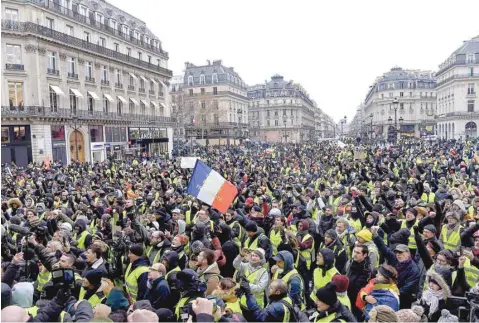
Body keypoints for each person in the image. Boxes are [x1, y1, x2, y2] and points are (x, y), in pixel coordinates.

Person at [372, 227, 420, 309]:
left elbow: (406, 289)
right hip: (390, 293)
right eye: (396, 252)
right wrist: (375, 236)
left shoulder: (414, 269)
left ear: (408, 253)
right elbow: (384, 249)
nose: (398, 254)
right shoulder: (395, 258)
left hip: (403, 299)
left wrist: (391, 293)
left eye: (401, 252)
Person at [345, 244, 373, 319]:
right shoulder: (351, 262)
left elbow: (357, 287)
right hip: (347, 297)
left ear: (365, 255)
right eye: (354, 251)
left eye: (358, 253)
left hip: (357, 302)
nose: (354, 254)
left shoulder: (366, 270)